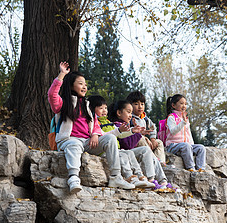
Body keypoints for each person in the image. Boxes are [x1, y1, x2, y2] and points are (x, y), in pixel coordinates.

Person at [48, 62, 143, 193]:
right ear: (71, 85)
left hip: (87, 142)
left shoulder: (88, 106)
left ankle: (115, 176)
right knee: (75, 144)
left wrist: (94, 135)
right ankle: (73, 177)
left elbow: (97, 127)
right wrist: (62, 75)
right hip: (69, 140)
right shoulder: (63, 103)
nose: (84, 86)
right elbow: (52, 94)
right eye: (80, 83)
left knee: (110, 139)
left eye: (85, 84)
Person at [87, 95, 155, 188]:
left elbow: (120, 134)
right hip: (104, 150)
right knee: (123, 155)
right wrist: (120, 131)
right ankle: (130, 177)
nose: (104, 111)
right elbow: (106, 136)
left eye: (105, 108)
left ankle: (139, 177)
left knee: (129, 153)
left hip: (116, 149)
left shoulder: (108, 122)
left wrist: (132, 131)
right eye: (101, 108)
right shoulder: (95, 123)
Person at [109, 100, 176, 190]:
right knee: (145, 150)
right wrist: (138, 133)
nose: (130, 115)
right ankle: (151, 179)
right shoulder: (117, 126)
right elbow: (128, 144)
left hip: (128, 152)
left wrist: (139, 132)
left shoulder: (127, 126)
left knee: (148, 151)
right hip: (124, 152)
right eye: (128, 112)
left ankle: (163, 181)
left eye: (131, 113)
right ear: (119, 113)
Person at [164, 94, 206, 172]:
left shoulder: (185, 118)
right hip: (173, 145)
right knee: (186, 146)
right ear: (173, 105)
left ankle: (201, 168)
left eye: (185, 104)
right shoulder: (171, 117)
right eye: (181, 103)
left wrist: (192, 145)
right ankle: (191, 167)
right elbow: (173, 131)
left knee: (201, 148)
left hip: (185, 146)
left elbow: (188, 133)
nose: (184, 106)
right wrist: (183, 122)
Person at [126, 91, 167, 166]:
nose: (140, 107)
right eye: (136, 104)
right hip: (136, 142)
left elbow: (153, 127)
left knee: (159, 142)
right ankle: (153, 159)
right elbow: (129, 132)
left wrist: (153, 139)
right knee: (141, 139)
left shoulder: (145, 118)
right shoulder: (129, 118)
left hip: (148, 142)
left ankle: (160, 161)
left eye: (142, 104)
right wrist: (143, 137)